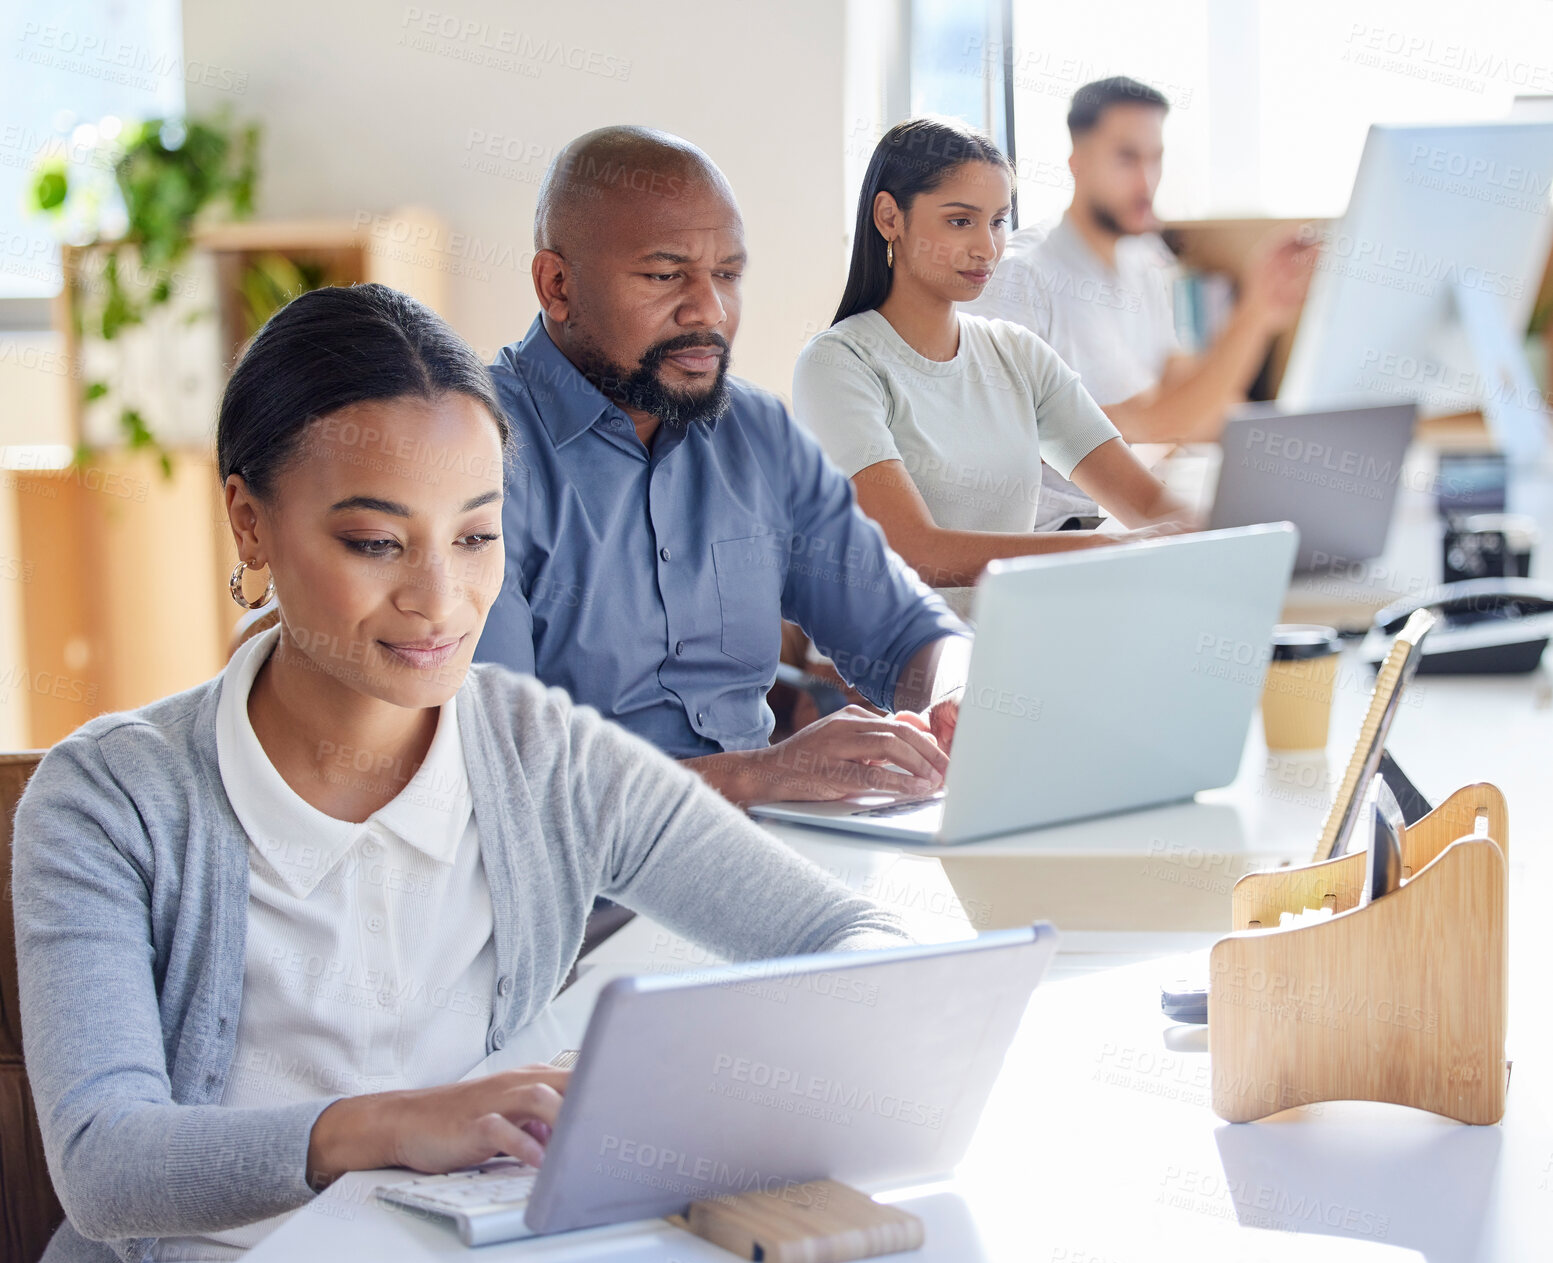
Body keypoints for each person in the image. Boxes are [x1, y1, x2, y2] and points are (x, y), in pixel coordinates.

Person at [12, 284, 910, 1263]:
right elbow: (105, 1162)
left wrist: (661, 1089)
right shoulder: (109, 798)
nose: (440, 600)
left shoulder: (543, 754)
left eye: (476, 536)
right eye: (374, 543)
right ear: (249, 524)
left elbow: (858, 947)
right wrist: (391, 1127)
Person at [472, 126, 970, 805]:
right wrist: (757, 775)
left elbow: (901, 629)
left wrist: (954, 690)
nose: (708, 310)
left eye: (727, 276)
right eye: (664, 275)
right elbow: (496, 771)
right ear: (556, 285)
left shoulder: (757, 432)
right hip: (583, 889)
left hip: (763, 850)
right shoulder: (468, 451)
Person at [792, 117, 1190, 616]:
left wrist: (1231, 536)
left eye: (999, 221)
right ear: (889, 217)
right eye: (961, 221)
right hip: (883, 678)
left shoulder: (1019, 355)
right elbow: (913, 549)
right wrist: (1098, 552)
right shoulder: (838, 364)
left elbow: (1149, 504)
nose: (987, 247)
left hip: (1005, 651)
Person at [962, 76, 1316, 526]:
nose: (1147, 180)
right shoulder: (1019, 275)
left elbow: (1184, 390)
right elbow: (1151, 423)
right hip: (1061, 533)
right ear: (1078, 161)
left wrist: (1293, 447)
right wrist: (1254, 315)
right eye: (1127, 158)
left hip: (1133, 512)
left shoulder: (1144, 260)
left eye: (1156, 159)